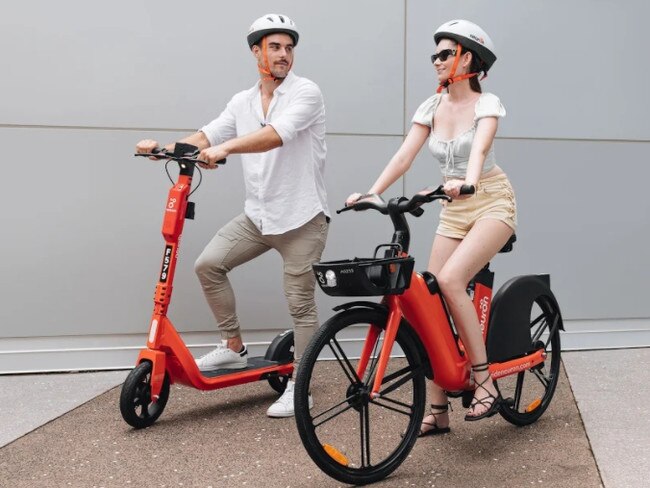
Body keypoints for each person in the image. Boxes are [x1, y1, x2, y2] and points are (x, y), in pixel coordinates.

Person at [136, 13, 329, 418]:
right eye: (275, 47)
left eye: (289, 47)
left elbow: (275, 134)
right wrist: (164, 148)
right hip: (258, 217)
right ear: (256, 51)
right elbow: (207, 136)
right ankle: (234, 348)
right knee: (209, 265)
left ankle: (301, 387)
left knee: (300, 306)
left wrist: (226, 150)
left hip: (301, 220)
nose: (284, 54)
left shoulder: (306, 93)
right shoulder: (242, 102)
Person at [346, 19, 516, 432]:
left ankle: (484, 381)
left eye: (445, 53)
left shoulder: (486, 104)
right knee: (428, 290)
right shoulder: (431, 106)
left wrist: (470, 181)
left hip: (491, 201)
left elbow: (479, 148)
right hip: (453, 207)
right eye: (434, 55)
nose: (436, 61)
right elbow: (405, 155)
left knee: (453, 279)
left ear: (467, 58)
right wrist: (372, 191)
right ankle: (438, 409)